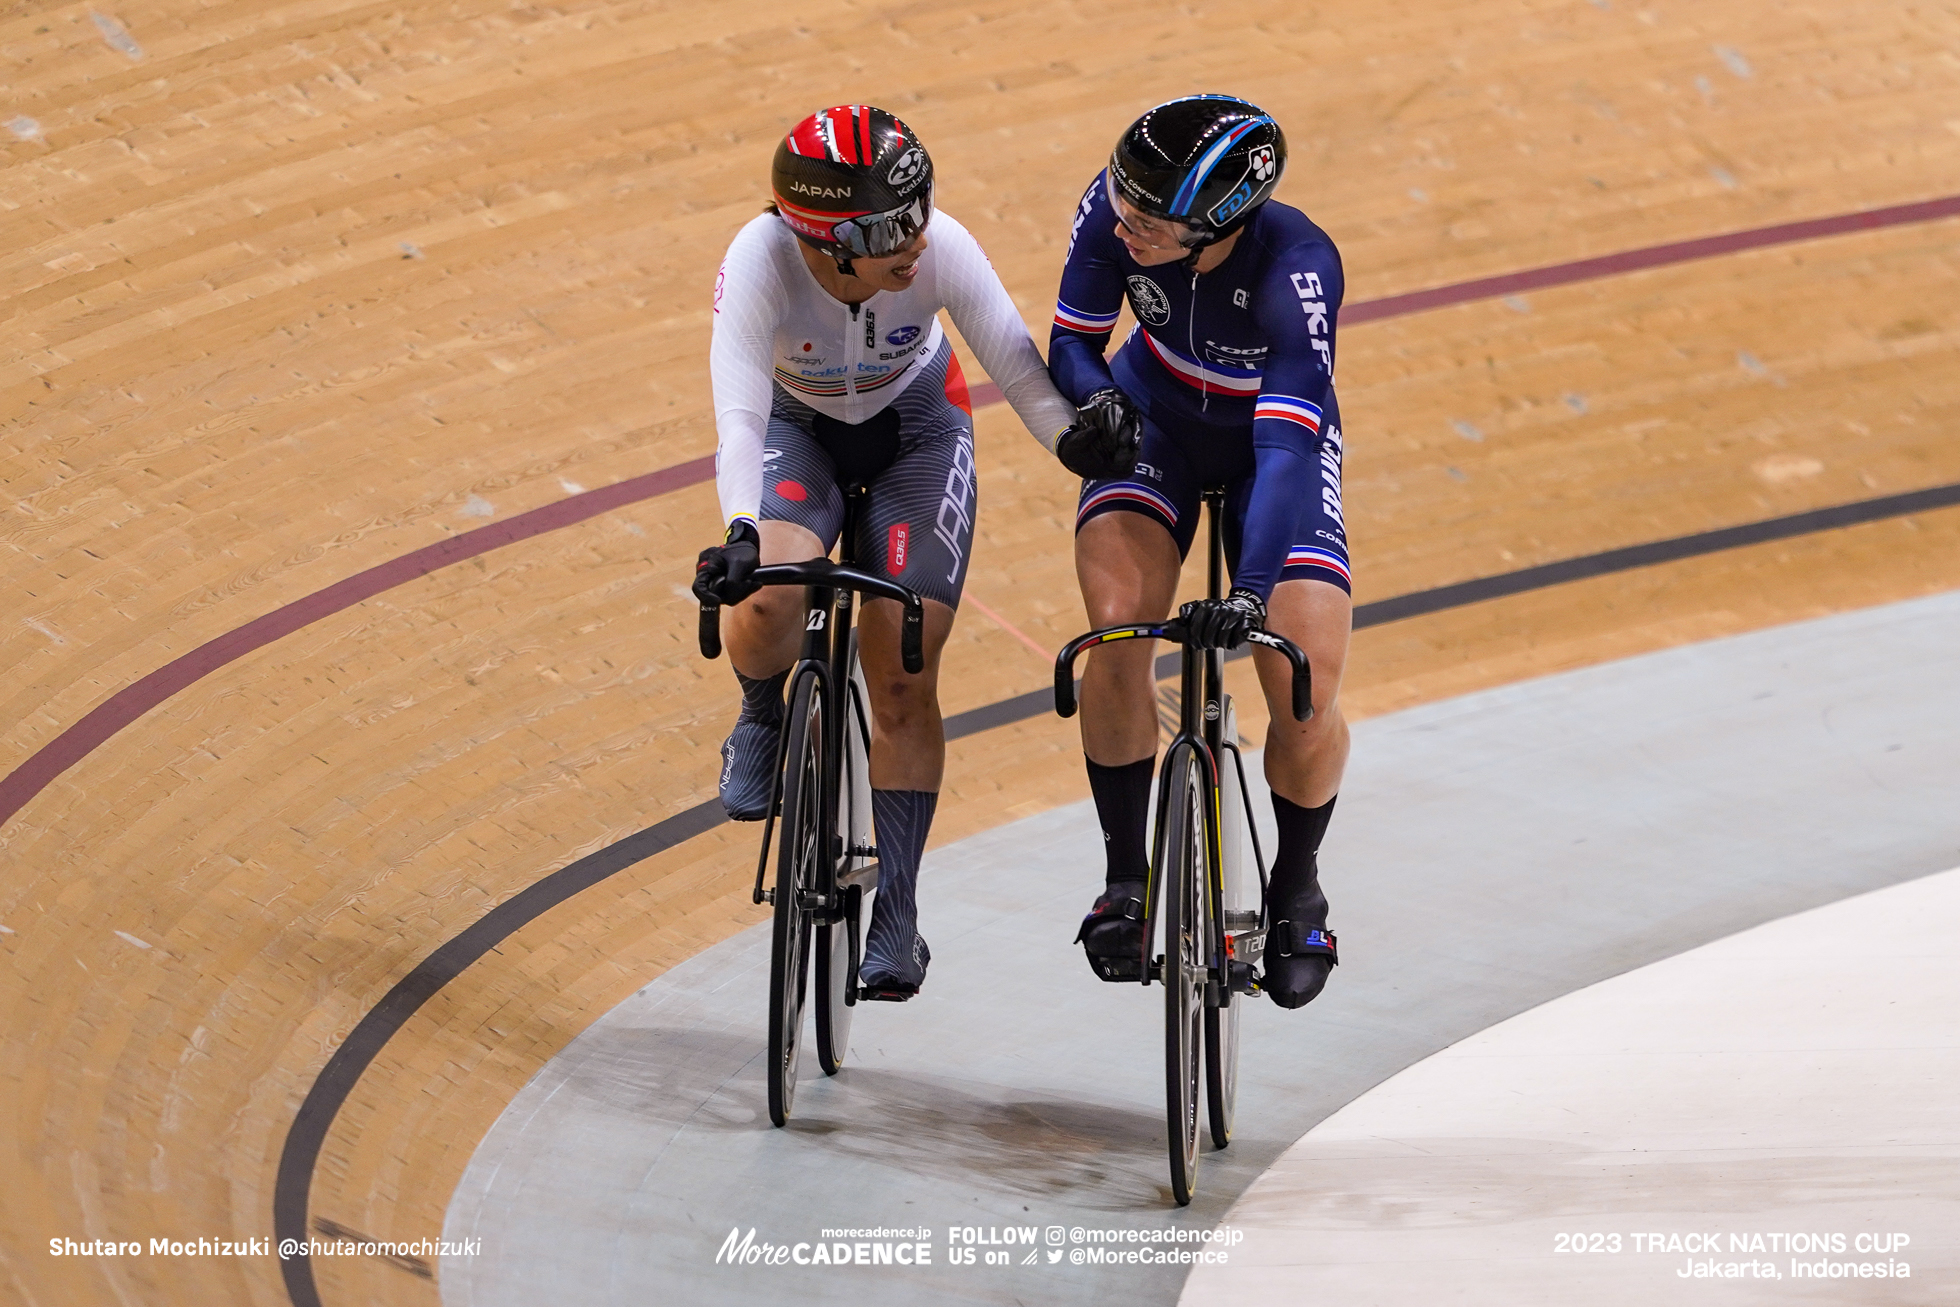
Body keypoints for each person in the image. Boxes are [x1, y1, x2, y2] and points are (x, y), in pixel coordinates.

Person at [692, 105, 1138, 1000]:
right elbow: (740, 416)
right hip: (797, 429)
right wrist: (742, 530)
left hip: (918, 432)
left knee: (900, 663)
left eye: (918, 209)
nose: (913, 239)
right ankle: (760, 708)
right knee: (767, 597)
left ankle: (896, 909)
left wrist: (1071, 442)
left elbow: (1017, 369)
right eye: (888, 228)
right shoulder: (760, 259)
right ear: (818, 239)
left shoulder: (939, 248)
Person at [1047, 95, 1351, 1009]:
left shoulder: (1297, 268)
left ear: (1216, 220)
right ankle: (1126, 874)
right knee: (1115, 636)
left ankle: (1297, 885)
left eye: (1148, 215)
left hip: (1274, 447)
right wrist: (1094, 397)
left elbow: (1287, 447)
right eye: (1123, 200)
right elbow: (1073, 339)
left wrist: (1252, 593)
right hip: (1160, 420)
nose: (1122, 218)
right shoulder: (1116, 208)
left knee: (1302, 682)